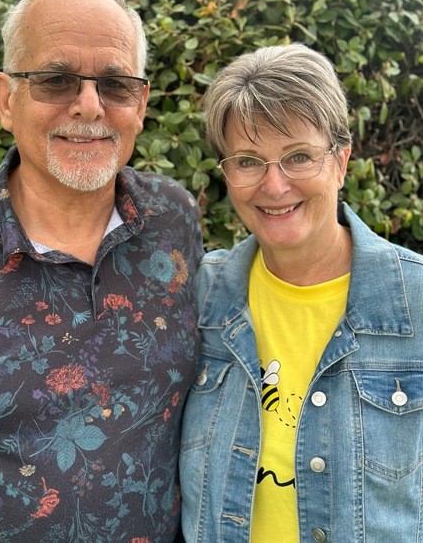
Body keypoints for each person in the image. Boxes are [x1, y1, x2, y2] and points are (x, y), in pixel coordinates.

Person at [0, 0, 204, 542]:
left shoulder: (174, 220)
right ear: (7, 100)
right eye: (56, 80)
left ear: (141, 103)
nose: (89, 106)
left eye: (115, 84)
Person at [180, 43, 423, 542]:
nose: (274, 186)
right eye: (248, 161)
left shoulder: (415, 302)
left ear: (341, 161)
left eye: (298, 157)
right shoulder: (200, 296)